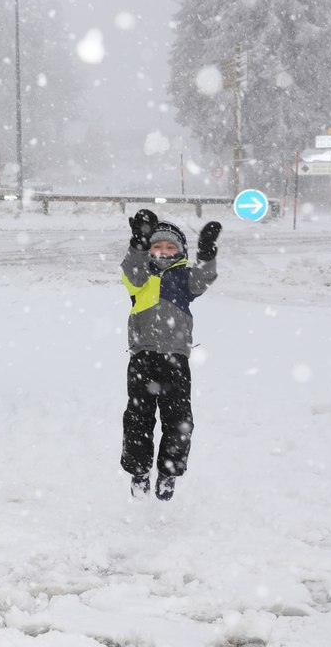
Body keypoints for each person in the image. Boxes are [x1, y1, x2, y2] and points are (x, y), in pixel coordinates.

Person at [120, 209, 221, 501]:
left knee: (178, 420)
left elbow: (205, 277)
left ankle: (168, 472)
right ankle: (139, 471)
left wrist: (207, 252)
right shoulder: (139, 277)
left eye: (170, 247)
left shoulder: (184, 279)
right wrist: (138, 242)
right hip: (142, 358)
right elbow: (131, 269)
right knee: (138, 418)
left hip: (175, 359)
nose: (163, 251)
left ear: (180, 252)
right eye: (157, 246)